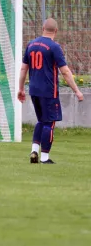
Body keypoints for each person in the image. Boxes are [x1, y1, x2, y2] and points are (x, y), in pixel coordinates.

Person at [18, 18, 83, 164]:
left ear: (42, 28)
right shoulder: (54, 47)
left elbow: (23, 68)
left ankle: (34, 150)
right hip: (48, 91)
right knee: (49, 123)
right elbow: (65, 71)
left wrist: (21, 88)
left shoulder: (31, 44)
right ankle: (45, 158)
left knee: (41, 120)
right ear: (56, 31)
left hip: (34, 89)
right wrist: (77, 91)